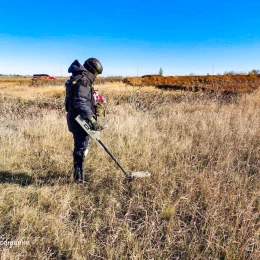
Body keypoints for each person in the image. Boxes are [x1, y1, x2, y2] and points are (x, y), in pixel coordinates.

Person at [65, 58, 105, 183]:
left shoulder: (79, 79)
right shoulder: (83, 80)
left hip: (78, 119)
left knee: (81, 148)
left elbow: (83, 100)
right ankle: (79, 179)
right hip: (79, 120)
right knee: (81, 150)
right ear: (91, 70)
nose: (96, 76)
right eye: (96, 73)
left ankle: (79, 176)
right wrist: (92, 120)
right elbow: (80, 102)